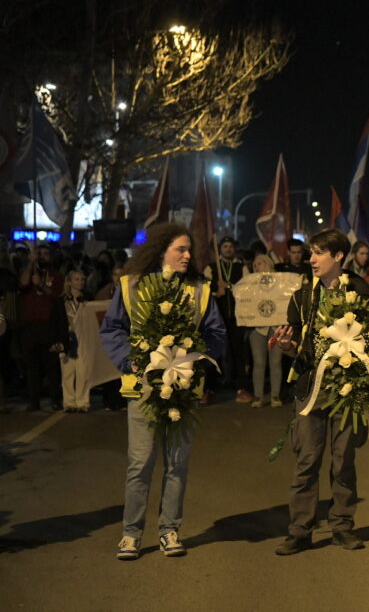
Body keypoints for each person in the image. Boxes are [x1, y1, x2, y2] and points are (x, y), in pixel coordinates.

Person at [100, 223, 225, 560]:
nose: (187, 256)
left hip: (183, 389)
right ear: (160, 251)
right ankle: (131, 534)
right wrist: (131, 361)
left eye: (189, 250)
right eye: (180, 249)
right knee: (140, 463)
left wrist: (195, 359)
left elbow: (216, 333)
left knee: (177, 462)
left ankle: (170, 530)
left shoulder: (200, 289)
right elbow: (112, 329)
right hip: (142, 388)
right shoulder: (131, 286)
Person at [272, 229, 369, 555]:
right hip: (310, 389)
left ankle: (342, 526)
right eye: (310, 253)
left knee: (343, 460)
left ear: (338, 256)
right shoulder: (303, 296)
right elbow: (296, 349)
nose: (311, 260)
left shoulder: (362, 293)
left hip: (346, 392)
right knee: (307, 461)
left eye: (318, 253)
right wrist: (287, 346)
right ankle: (300, 530)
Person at [18, 245, 64, 410]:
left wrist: (42, 286)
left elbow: (56, 296)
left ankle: (54, 399)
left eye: (45, 254)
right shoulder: (29, 272)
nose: (42, 256)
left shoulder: (56, 276)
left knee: (51, 365)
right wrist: (31, 262)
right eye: (40, 254)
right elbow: (22, 284)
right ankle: (34, 401)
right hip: (29, 327)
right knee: (32, 367)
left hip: (48, 326)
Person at [205, 236, 251, 403]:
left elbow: (248, 290)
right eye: (225, 246)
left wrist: (231, 287)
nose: (228, 249)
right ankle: (209, 389)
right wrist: (217, 292)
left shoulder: (241, 267)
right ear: (220, 249)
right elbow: (204, 293)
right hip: (216, 318)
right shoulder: (210, 268)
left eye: (231, 246)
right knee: (213, 352)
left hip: (236, 318)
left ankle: (242, 388)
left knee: (238, 353)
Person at [51, 270, 91, 412]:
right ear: (69, 282)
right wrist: (56, 341)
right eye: (76, 279)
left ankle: (82, 402)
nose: (80, 282)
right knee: (67, 373)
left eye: (82, 279)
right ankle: (69, 402)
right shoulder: (60, 301)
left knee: (83, 372)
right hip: (67, 339)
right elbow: (55, 323)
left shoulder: (87, 299)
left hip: (84, 339)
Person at [248, 254, 285, 408]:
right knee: (259, 362)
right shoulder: (249, 285)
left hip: (276, 328)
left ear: (269, 265)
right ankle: (258, 396)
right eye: (255, 265)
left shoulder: (281, 283)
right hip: (258, 329)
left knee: (275, 362)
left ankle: (275, 396)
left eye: (261, 263)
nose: (257, 267)